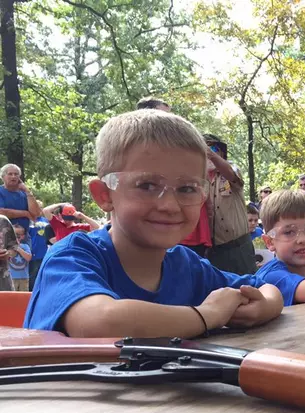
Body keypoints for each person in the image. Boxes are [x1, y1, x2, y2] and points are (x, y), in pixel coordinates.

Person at [24, 110, 283, 337]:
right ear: (104, 195)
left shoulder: (186, 266)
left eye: (187, 188)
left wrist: (264, 307)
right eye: (147, 185)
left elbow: (268, 287)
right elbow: (97, 323)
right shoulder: (73, 255)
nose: (169, 205)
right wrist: (208, 314)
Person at [204, 133, 258, 275]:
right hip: (214, 251)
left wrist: (212, 155)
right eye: (205, 151)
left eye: (214, 149)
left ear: (221, 152)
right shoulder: (198, 179)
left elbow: (231, 175)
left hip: (239, 246)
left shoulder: (231, 169)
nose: (209, 155)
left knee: (248, 288)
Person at [0, 163, 42, 231]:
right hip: (4, 236)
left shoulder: (24, 193)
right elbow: (1, 213)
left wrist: (27, 191)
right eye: (10, 174)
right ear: (3, 177)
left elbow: (36, 213)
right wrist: (25, 213)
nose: (13, 176)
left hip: (24, 237)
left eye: (16, 174)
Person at [28, 206, 50, 290]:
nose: (38, 209)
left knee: (42, 275)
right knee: (32, 276)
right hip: (31, 252)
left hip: (44, 252)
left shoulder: (46, 221)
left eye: (40, 207)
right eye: (37, 207)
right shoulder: (28, 220)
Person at [8, 224, 31, 291]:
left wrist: (19, 249)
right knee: (12, 296)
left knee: (23, 296)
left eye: (18, 235)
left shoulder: (25, 246)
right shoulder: (7, 246)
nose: (15, 237)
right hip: (11, 277)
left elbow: (28, 258)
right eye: (13, 235)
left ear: (23, 236)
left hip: (23, 277)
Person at [0, 215, 18, 290]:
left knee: (7, 301)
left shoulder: (3, 221)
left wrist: (8, 254)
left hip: (3, 280)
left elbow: (14, 247)